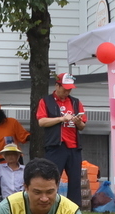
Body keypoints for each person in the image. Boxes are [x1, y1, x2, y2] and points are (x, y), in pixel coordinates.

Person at [37, 73, 87, 206]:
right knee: (52, 178)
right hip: (55, 146)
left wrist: (77, 122)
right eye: (64, 88)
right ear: (57, 85)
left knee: (75, 179)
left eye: (69, 89)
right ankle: (49, 204)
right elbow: (41, 122)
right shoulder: (46, 101)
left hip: (74, 146)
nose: (67, 91)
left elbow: (82, 126)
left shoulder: (76, 102)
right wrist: (61, 118)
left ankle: (74, 208)